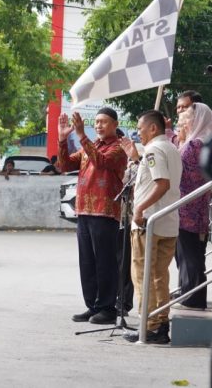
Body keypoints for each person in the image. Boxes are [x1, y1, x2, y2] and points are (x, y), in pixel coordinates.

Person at [57, 108, 128, 325]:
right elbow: (65, 165)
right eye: (96, 122)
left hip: (105, 211)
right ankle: (93, 305)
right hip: (85, 210)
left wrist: (80, 135)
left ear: (115, 124)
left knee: (105, 261)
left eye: (104, 122)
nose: (99, 125)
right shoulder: (91, 146)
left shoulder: (119, 147)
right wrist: (62, 139)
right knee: (87, 261)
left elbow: (102, 162)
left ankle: (107, 307)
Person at [120, 110, 182, 344]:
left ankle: (150, 325)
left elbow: (162, 183)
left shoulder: (154, 150)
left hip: (150, 222)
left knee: (142, 276)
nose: (138, 132)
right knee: (159, 276)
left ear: (153, 128)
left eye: (140, 128)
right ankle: (160, 323)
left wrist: (139, 209)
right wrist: (136, 159)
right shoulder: (171, 148)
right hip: (166, 222)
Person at [172, 103, 212, 310]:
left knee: (188, 254)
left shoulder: (194, 146)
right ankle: (190, 295)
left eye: (187, 120)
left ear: (197, 121)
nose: (184, 124)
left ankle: (192, 298)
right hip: (196, 207)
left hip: (186, 208)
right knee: (192, 254)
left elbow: (177, 172)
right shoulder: (206, 144)